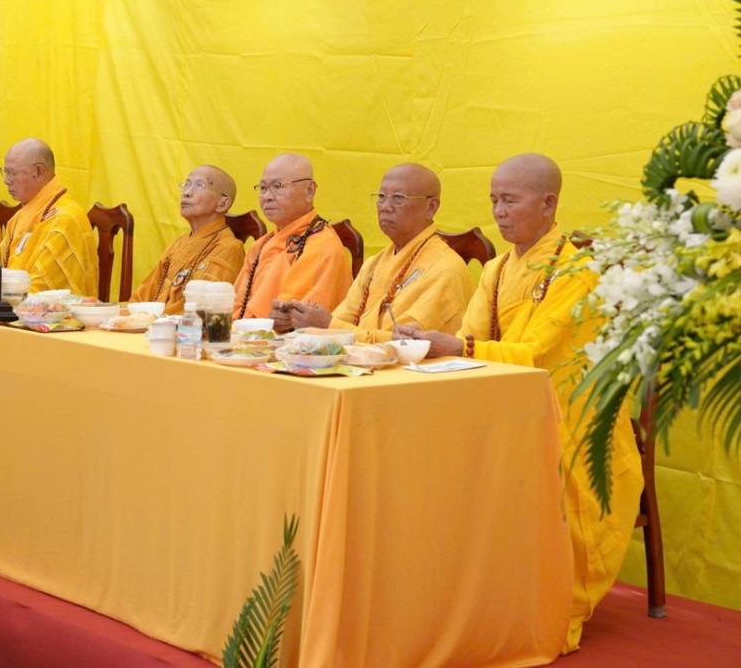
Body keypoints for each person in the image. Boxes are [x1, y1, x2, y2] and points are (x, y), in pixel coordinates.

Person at [396, 153, 643, 653]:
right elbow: (472, 338)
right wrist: (435, 343)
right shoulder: (496, 268)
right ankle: (467, 591)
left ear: (549, 204)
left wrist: (459, 347)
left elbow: (536, 353)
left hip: (570, 412)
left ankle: (546, 603)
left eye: (510, 200)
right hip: (504, 402)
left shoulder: (575, 270)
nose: (499, 212)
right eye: (493, 200)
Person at [287, 163, 475, 341]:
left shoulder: (446, 271)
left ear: (431, 207)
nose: (385, 207)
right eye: (382, 197)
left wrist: (329, 325)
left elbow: (404, 342)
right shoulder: (374, 264)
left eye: (398, 198)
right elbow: (342, 318)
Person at [233, 153, 351, 327]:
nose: (267, 196)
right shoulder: (259, 246)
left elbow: (291, 320)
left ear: (309, 191)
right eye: (263, 188)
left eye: (278, 186)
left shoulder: (323, 247)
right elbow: (237, 307)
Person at [130, 164, 244, 314]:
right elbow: (142, 297)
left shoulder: (228, 249)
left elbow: (202, 310)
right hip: (154, 323)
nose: (186, 193)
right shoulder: (179, 243)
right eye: (186, 185)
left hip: (185, 327)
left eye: (199, 185)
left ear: (223, 203)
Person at [0, 138, 98, 296]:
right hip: (11, 305)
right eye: (5, 172)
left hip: (43, 311)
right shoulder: (18, 218)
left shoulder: (66, 220)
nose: (6, 181)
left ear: (39, 172)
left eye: (12, 173)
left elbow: (43, 293)